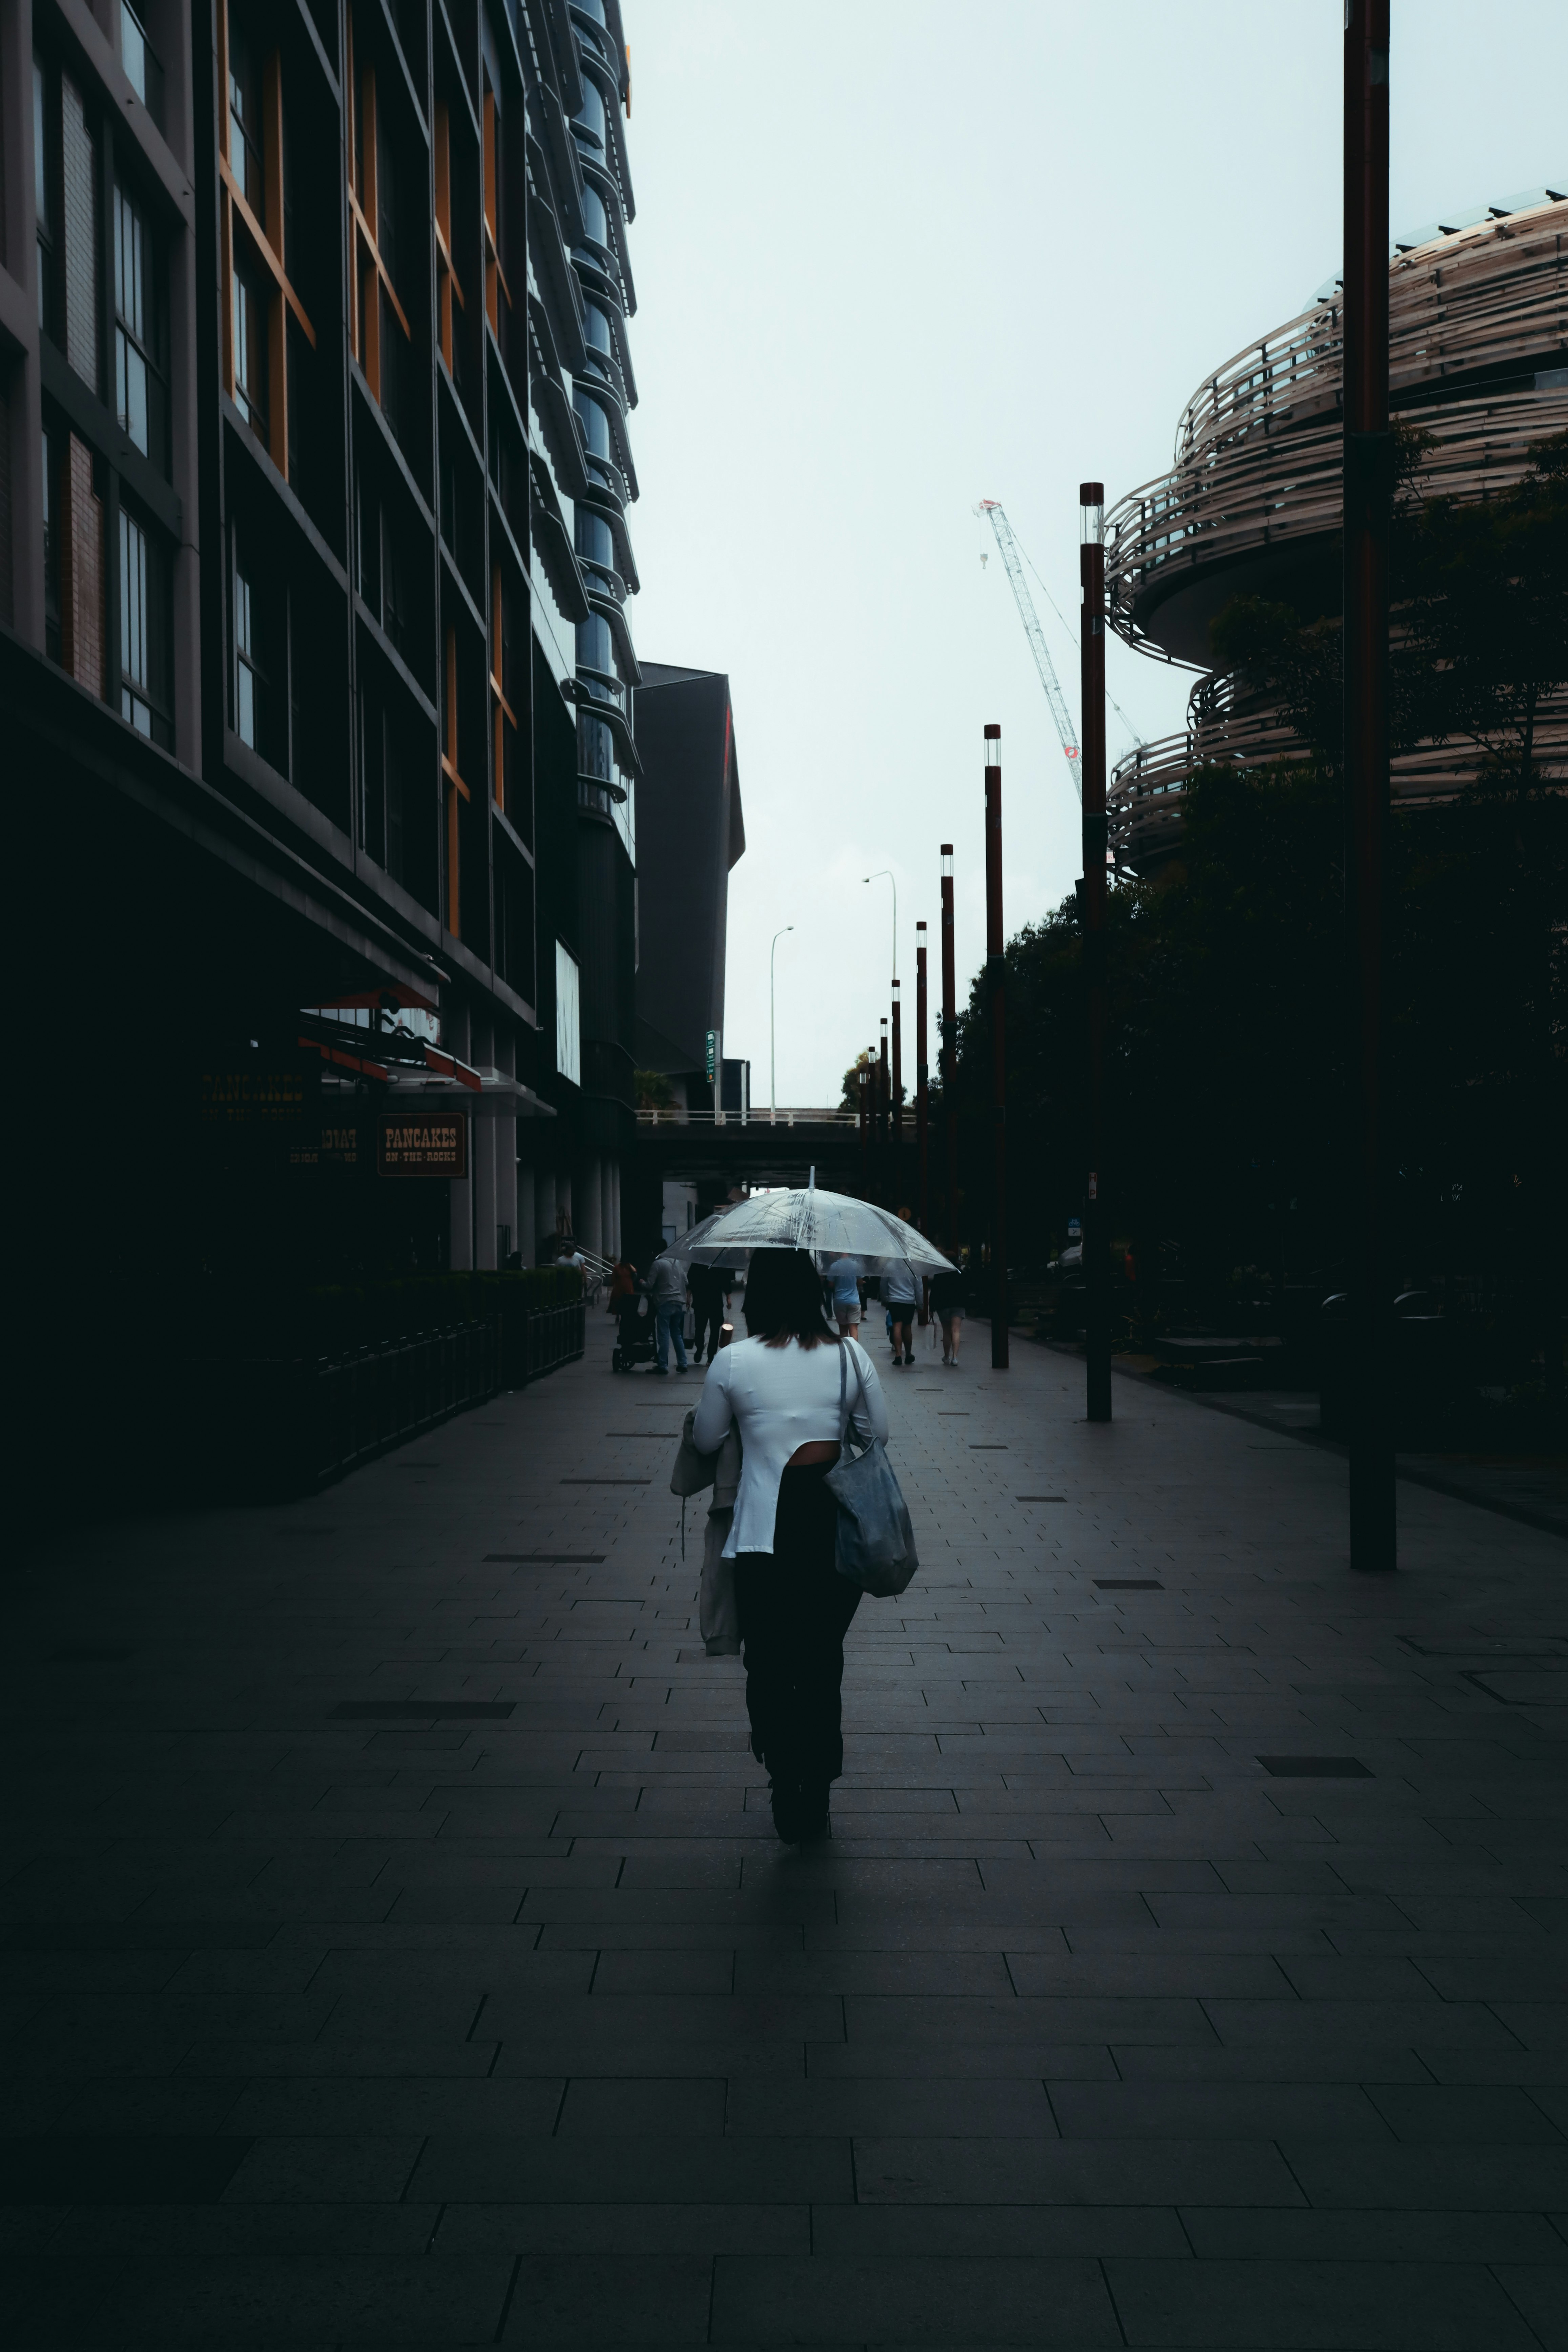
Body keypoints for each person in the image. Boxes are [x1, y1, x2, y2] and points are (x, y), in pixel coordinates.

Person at [691, 1247, 887, 1842]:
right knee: (822, 1659)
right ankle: (818, 1782)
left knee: (770, 1660)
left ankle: (782, 1771)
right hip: (831, 1531)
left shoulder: (733, 1359)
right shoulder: (849, 1356)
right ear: (814, 1294)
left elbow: (705, 1438)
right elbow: (875, 1435)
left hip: (761, 1534)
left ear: (757, 1298)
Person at [645, 1245, 689, 1374]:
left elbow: (650, 1284)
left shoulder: (658, 1264)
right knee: (677, 1334)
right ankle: (683, 1363)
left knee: (664, 1334)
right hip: (679, 1302)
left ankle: (663, 1365)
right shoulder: (678, 1263)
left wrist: (642, 1283)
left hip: (665, 1302)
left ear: (657, 1252)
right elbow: (686, 1282)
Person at [881, 1257, 919, 1367]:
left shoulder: (889, 1266)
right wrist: (920, 1303)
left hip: (894, 1301)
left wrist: (885, 1299)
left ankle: (898, 1356)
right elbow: (919, 1286)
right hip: (909, 1301)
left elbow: (884, 1284)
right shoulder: (913, 1267)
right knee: (907, 1327)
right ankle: (908, 1355)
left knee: (897, 1326)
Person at [690, 1260, 729, 1365]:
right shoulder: (701, 1263)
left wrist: (729, 1297)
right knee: (704, 1329)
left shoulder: (699, 1262)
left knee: (706, 1329)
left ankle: (709, 1354)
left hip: (704, 1301)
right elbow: (725, 1281)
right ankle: (701, 1348)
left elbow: (725, 1281)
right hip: (711, 1302)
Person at [929, 1261, 967, 1367]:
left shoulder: (940, 1275)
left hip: (943, 1306)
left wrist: (931, 1308)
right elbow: (967, 1289)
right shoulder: (961, 1274)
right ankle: (955, 1358)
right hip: (959, 1305)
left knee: (946, 1332)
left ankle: (947, 1357)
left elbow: (934, 1291)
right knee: (956, 1331)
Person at [826, 1253, 863, 1336]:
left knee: (843, 1330)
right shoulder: (856, 1265)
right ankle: (854, 1348)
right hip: (854, 1300)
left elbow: (830, 1285)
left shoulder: (834, 1266)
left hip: (840, 1300)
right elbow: (860, 1282)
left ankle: (846, 1348)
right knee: (854, 1328)